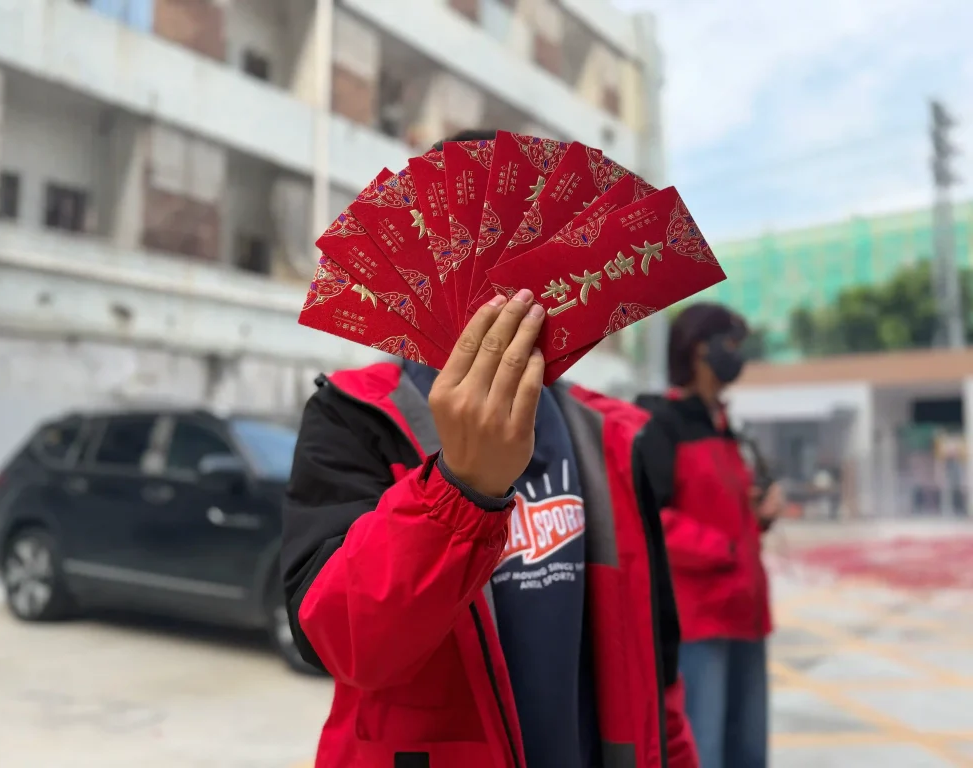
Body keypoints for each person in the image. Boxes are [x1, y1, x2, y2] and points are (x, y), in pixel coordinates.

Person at [283, 130, 698, 768]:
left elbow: (657, 665)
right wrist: (461, 489)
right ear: (425, 259)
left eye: (532, 246)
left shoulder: (610, 435)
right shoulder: (352, 415)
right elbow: (345, 645)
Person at [632, 303, 785, 768]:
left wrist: (759, 516)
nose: (737, 355)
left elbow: (727, 512)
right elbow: (650, 517)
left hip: (746, 612)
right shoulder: (662, 423)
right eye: (731, 344)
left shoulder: (725, 426)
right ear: (702, 348)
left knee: (748, 749)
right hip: (697, 619)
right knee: (703, 751)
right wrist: (726, 548)